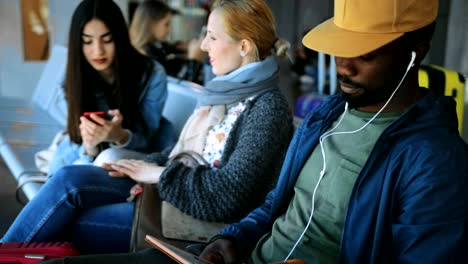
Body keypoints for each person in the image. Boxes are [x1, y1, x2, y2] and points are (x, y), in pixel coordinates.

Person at [1, 0, 294, 257]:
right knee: (68, 178)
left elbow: (227, 198)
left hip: (197, 220)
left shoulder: (267, 108)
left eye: (212, 36)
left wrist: (157, 173)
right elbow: (181, 152)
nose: (202, 45)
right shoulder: (228, 92)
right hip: (172, 190)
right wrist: (142, 163)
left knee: (69, 220)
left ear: (243, 46)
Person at [198, 0, 468, 263]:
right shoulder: (328, 113)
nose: (344, 67)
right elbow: (281, 203)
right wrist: (234, 237)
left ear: (416, 52)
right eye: (341, 47)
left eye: (366, 54)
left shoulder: (436, 161)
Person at [47, 0, 174, 176]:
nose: (98, 51)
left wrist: (119, 135)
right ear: (78, 43)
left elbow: (148, 137)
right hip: (88, 153)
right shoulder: (74, 76)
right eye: (87, 41)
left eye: (107, 40)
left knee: (107, 157)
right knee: (59, 170)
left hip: (138, 153)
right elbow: (77, 140)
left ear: (119, 38)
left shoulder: (152, 74)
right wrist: (90, 147)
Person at [129, 0, 205, 84]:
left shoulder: (155, 46)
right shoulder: (148, 58)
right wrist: (194, 60)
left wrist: (181, 46)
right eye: (166, 24)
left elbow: (169, 47)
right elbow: (176, 90)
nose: (169, 30)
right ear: (151, 24)